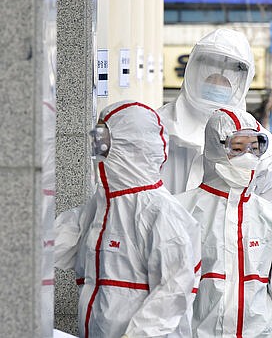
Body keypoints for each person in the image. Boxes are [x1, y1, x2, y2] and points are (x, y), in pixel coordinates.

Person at [54, 101, 200, 338]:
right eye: (96, 138)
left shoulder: (161, 212)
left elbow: (173, 293)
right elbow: (52, 243)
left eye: (103, 139)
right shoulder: (102, 206)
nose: (97, 147)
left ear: (131, 146)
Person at [175, 108, 272, 337]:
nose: (248, 157)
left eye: (254, 148)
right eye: (238, 148)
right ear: (215, 147)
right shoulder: (182, 211)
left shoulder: (268, 216)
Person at [157, 28, 272, 212]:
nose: (216, 85)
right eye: (211, 78)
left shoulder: (260, 147)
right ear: (193, 70)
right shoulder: (157, 130)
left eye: (225, 81)